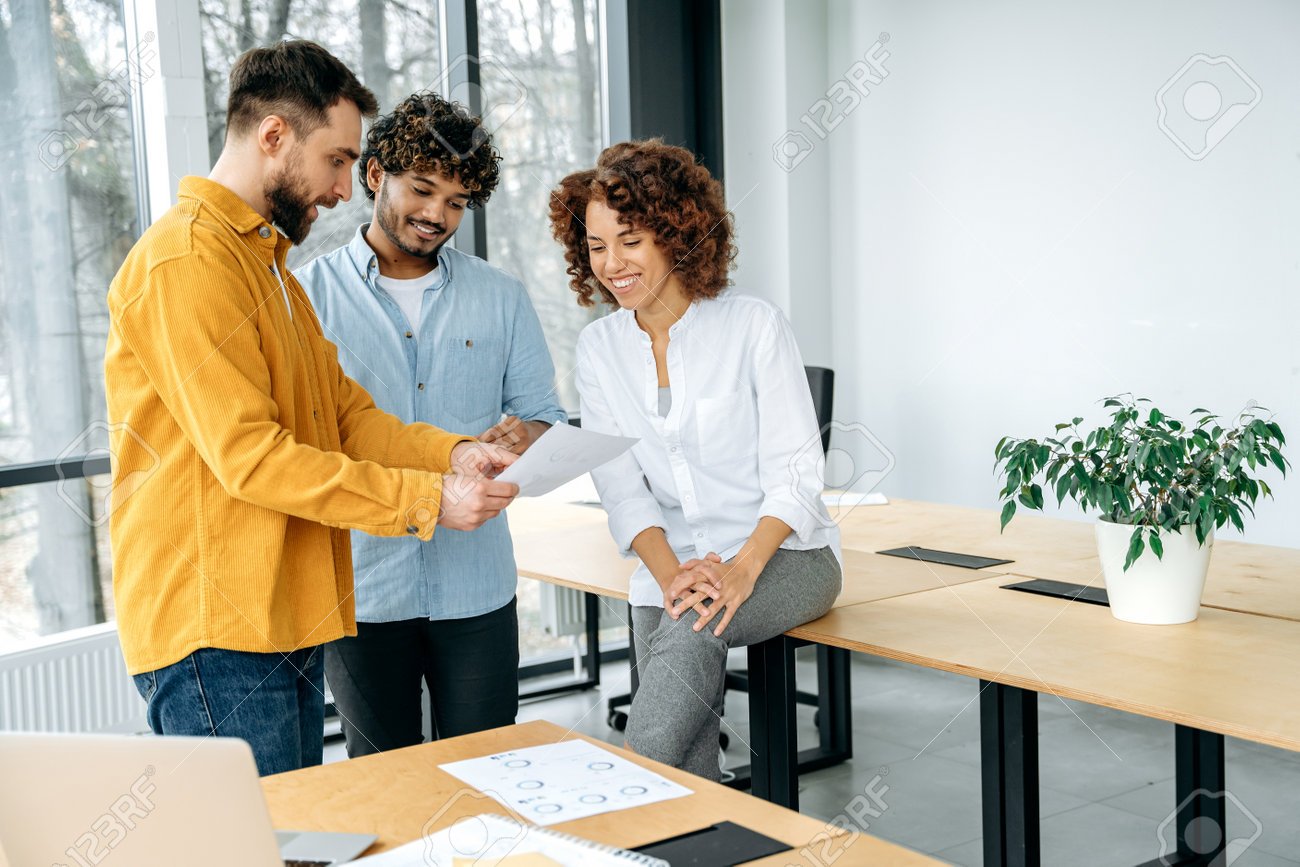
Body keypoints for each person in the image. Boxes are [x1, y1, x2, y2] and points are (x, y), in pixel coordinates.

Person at [104, 41, 518, 777]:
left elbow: (345, 417)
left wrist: (454, 454)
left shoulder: (273, 274)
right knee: (254, 834)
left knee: (294, 831)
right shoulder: (187, 262)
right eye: (336, 160)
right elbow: (253, 459)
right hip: (217, 630)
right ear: (274, 135)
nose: (341, 189)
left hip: (283, 617)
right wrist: (429, 500)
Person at [547, 139, 844, 781]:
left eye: (630, 241)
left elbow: (796, 474)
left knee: (688, 630)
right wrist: (675, 576)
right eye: (596, 247)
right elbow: (623, 490)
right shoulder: (598, 349)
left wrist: (738, 571)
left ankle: (620, 792)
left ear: (674, 234)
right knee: (685, 720)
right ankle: (685, 821)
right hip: (670, 566)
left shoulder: (753, 325)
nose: (611, 264)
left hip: (787, 556)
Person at [297, 92, 566, 756]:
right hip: (363, 589)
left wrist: (524, 437)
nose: (437, 215)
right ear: (375, 175)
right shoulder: (306, 297)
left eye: (456, 202)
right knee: (384, 777)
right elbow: (302, 445)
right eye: (422, 190)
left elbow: (546, 418)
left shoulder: (500, 296)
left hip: (475, 588)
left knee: (491, 768)